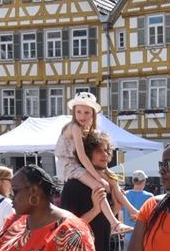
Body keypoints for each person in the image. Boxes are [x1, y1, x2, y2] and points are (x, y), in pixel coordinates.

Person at [54, 92, 135, 235]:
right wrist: (98, 178)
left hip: (77, 164)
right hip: (70, 166)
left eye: (86, 112)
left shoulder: (85, 129)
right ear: (73, 112)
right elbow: (83, 157)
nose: (82, 116)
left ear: (92, 114)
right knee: (99, 185)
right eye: (78, 112)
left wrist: (104, 176)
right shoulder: (74, 127)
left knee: (113, 180)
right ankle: (115, 223)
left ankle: (132, 211)